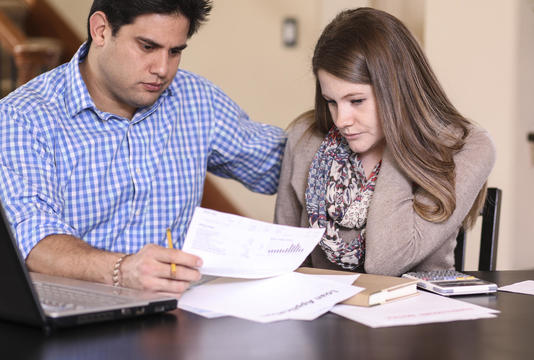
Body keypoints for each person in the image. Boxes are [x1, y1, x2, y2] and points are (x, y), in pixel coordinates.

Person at [0, 0, 286, 296]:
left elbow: (280, 165)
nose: (162, 69)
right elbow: (32, 241)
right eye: (147, 47)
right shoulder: (23, 118)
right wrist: (122, 270)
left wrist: (334, 107)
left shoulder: (196, 99)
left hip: (177, 316)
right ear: (100, 30)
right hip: (75, 320)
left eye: (175, 51)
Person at [274, 8, 496, 276]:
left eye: (357, 101)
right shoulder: (305, 136)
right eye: (331, 101)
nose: (342, 120)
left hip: (419, 312)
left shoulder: (468, 146)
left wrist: (398, 136)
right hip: (324, 312)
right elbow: (283, 261)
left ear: (397, 90)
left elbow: (387, 262)